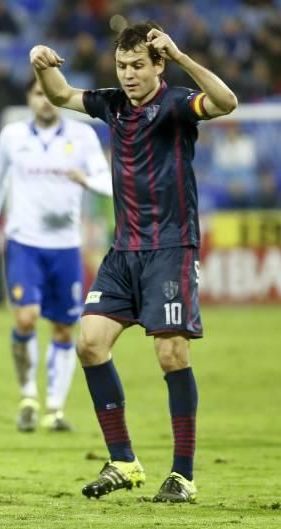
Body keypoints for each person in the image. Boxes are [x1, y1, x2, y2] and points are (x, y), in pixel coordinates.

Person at [30, 21, 237, 503]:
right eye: (122, 66)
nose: (128, 75)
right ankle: (123, 460)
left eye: (138, 66)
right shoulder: (113, 104)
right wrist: (41, 64)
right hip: (123, 252)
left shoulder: (179, 104)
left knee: (171, 353)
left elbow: (227, 102)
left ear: (158, 65)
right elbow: (61, 94)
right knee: (89, 343)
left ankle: (182, 474)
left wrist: (183, 56)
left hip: (171, 248)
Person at [0, 78, 112, 432]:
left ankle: (54, 408)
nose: (46, 101)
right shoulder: (12, 136)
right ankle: (28, 396)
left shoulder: (83, 136)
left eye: (51, 94)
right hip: (24, 242)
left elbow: (108, 181)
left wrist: (86, 180)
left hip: (66, 246)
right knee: (25, 318)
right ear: (29, 99)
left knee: (64, 330)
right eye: (39, 94)